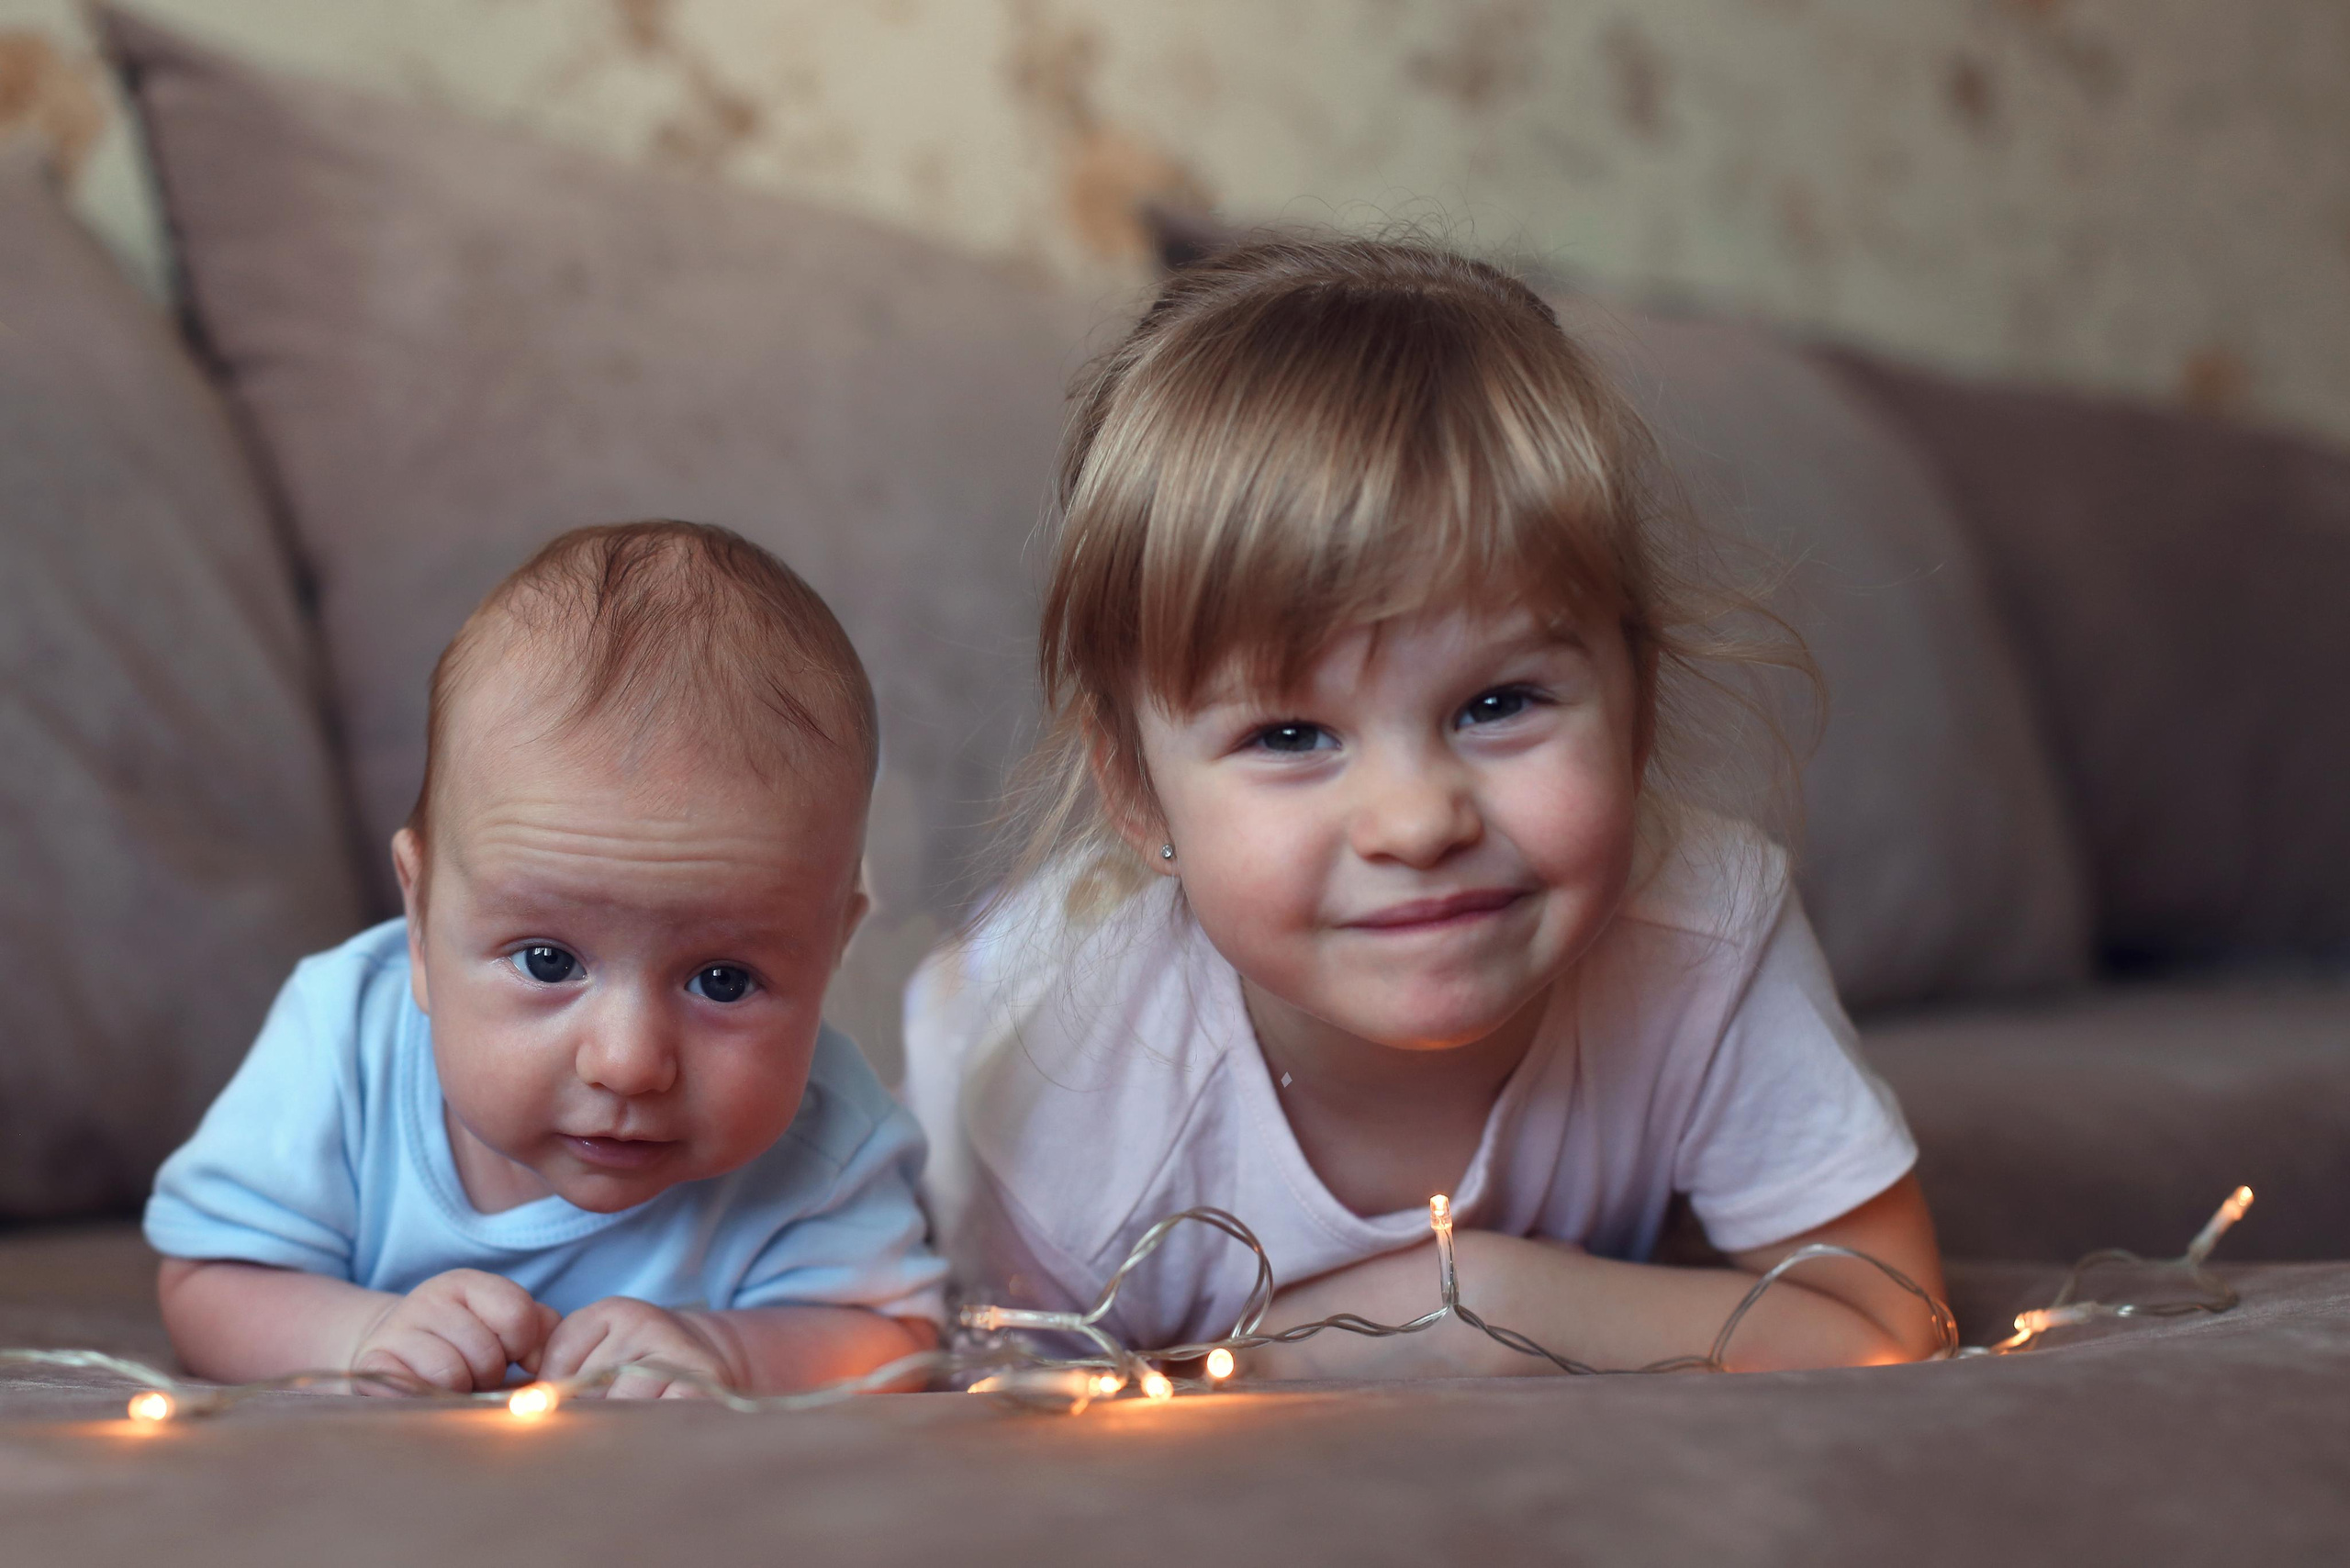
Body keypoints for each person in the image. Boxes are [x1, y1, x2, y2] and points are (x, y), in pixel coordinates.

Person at [903, 238, 1946, 1377]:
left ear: (1636, 710)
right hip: (991, 1007)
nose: (1416, 823)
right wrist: (1316, 1357)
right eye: (1289, 735)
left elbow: (1885, 1323)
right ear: (1135, 792)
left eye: (1497, 704)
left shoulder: (1706, 931)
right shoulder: (1068, 1088)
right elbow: (1007, 1408)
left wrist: (1484, 1301)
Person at [147, 521, 944, 1398]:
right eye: (547, 961)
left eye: (723, 981)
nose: (628, 1063)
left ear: (832, 948)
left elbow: (894, 1337)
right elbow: (209, 1279)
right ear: (420, 921)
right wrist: (360, 1333)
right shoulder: (344, 1044)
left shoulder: (828, 1139)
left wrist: (729, 1352)